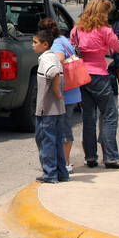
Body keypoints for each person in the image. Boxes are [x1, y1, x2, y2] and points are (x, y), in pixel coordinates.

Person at [70, 0, 119, 169]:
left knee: (88, 118)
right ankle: (111, 157)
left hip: (82, 75)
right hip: (99, 75)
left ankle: (90, 157)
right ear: (102, 13)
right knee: (110, 116)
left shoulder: (76, 30)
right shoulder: (105, 31)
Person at [38, 18, 81, 174]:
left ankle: (66, 163)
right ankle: (64, 162)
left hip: (65, 93)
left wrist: (55, 90)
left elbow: (59, 60)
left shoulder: (56, 44)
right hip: (72, 91)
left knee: (63, 130)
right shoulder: (63, 39)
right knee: (64, 127)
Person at [32, 28, 69, 183]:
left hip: (46, 110)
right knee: (57, 142)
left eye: (35, 43)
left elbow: (53, 73)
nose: (32, 46)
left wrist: (54, 89)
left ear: (45, 44)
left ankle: (50, 174)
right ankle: (61, 173)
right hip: (58, 109)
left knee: (45, 142)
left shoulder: (46, 59)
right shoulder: (54, 57)